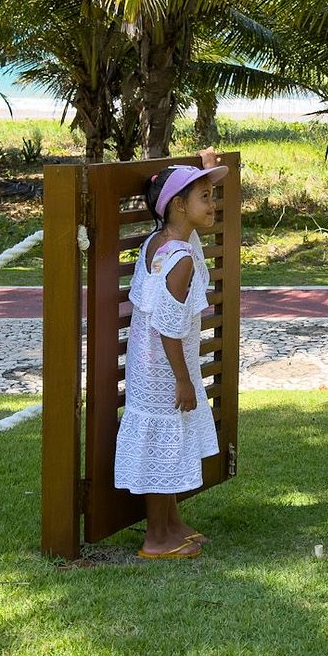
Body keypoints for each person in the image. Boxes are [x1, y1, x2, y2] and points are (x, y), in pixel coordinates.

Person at [116, 150, 227, 559]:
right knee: (163, 441)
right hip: (164, 366)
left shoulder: (162, 241)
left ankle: (172, 523)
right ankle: (156, 537)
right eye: (204, 197)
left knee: (171, 438)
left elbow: (189, 231)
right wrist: (183, 379)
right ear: (179, 205)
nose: (212, 205)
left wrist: (205, 169)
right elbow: (168, 326)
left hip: (153, 362)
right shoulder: (180, 262)